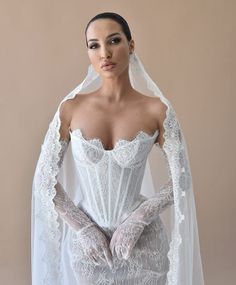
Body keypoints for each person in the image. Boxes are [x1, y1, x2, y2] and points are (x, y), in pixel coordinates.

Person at [31, 12, 205, 285]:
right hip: (89, 249)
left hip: (144, 245)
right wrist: (84, 227)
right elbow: (44, 179)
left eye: (113, 41)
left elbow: (180, 179)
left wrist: (139, 218)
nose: (104, 53)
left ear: (131, 46)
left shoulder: (156, 110)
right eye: (94, 45)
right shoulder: (71, 109)